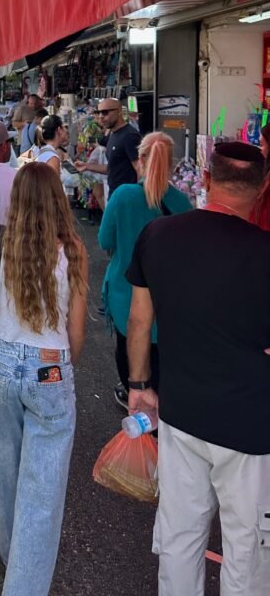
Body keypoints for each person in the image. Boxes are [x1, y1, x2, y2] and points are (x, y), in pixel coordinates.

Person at [126, 142, 270, 596]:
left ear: (206, 179)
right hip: (251, 427)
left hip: (180, 412)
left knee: (180, 534)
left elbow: (138, 321)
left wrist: (140, 385)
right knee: (246, 547)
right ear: (263, 188)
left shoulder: (159, 235)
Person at [0, 162, 88, 596]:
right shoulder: (72, 247)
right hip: (49, 361)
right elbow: (76, 331)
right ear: (57, 198)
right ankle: (24, 585)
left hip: (1, 357)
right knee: (44, 487)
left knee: (8, 464)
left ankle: (11, 553)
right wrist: (64, 366)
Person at [97, 132, 191, 410]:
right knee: (161, 356)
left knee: (128, 350)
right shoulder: (182, 203)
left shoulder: (123, 196)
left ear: (139, 160)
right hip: (167, 297)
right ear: (172, 165)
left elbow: (104, 240)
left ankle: (134, 398)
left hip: (124, 294)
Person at [75, 98, 140, 196]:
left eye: (105, 112)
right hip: (115, 194)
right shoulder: (112, 134)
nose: (101, 116)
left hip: (127, 198)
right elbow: (113, 167)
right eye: (99, 112)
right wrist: (87, 166)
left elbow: (140, 169)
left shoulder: (129, 135)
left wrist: (138, 198)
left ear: (118, 111)